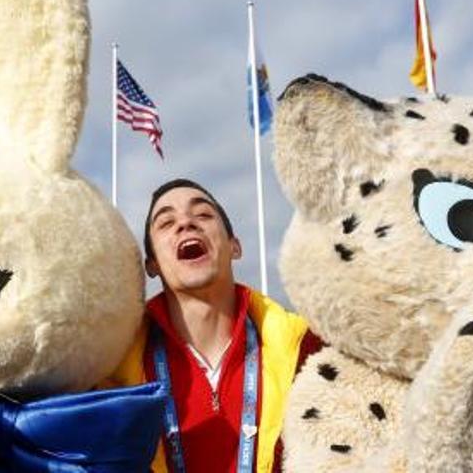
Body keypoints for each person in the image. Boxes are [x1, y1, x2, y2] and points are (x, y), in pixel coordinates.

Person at [106, 178, 322, 473]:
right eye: (167, 222)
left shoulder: (307, 350)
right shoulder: (112, 372)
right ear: (152, 264)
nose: (185, 223)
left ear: (235, 247)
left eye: (204, 215)